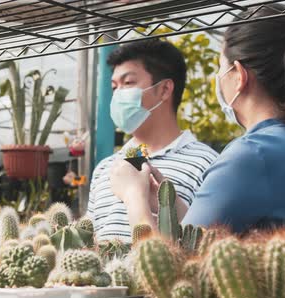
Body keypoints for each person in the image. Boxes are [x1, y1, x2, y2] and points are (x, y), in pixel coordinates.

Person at [110, 4, 285, 233]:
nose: (218, 78)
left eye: (220, 67)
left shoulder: (252, 154)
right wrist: (168, 206)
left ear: (240, 76)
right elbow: (203, 237)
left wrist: (134, 196)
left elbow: (167, 266)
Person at [87, 39, 218, 243]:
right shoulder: (104, 169)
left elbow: (205, 246)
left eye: (128, 83)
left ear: (165, 89)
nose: (118, 95)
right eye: (114, 87)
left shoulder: (207, 165)